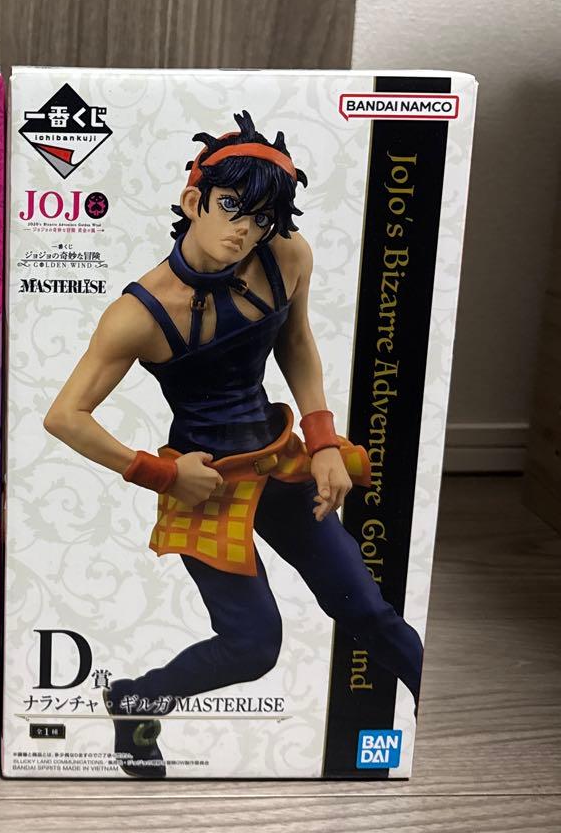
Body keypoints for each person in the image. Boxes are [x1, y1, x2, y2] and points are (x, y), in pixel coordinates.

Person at [43, 111, 422, 778]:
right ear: (194, 200)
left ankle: (436, 729)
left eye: (262, 217)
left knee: (370, 610)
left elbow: (296, 341)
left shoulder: (285, 257)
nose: (245, 229)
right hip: (206, 488)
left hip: (280, 463)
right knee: (254, 646)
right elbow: (65, 417)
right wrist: (159, 474)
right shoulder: (139, 312)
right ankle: (135, 700)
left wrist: (322, 440)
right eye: (231, 208)